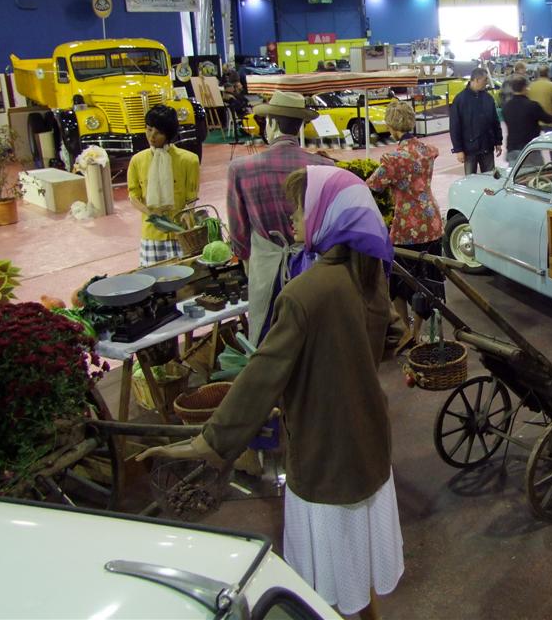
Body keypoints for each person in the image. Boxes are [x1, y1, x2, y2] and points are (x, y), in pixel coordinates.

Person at [138, 165, 402, 620]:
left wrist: (209, 442)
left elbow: (262, 376)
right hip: (369, 440)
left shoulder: (305, 293)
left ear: (327, 216)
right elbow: (389, 337)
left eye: (300, 209)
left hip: (322, 453)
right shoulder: (368, 275)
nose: (293, 219)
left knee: (329, 574)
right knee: (360, 561)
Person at [226, 91, 333, 344]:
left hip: (266, 269)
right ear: (299, 126)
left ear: (272, 124)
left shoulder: (240, 169)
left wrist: (244, 257)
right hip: (312, 269)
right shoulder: (324, 167)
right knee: (310, 338)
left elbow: (238, 230)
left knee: (268, 339)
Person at [366, 101, 444, 348]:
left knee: (399, 281)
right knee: (427, 280)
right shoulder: (428, 150)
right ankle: (418, 331)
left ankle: (406, 331)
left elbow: (372, 186)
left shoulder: (393, 159)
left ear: (391, 127)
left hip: (406, 227)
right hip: (432, 221)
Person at [127, 105, 201, 266]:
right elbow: (133, 195)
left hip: (181, 232)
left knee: (184, 276)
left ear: (169, 134)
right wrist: (151, 214)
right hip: (152, 234)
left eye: (159, 132)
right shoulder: (137, 161)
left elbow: (192, 195)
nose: (152, 136)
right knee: (153, 276)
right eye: (149, 129)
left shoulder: (189, 160)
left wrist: (188, 212)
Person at [449, 67, 502, 174]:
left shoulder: (488, 98)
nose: (487, 82)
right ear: (477, 80)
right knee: (470, 180)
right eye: (485, 80)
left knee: (489, 178)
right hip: (469, 150)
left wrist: (498, 141)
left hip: (487, 147)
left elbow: (495, 121)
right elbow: (455, 126)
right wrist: (458, 149)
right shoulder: (460, 100)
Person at [501, 75, 548, 165]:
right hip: (530, 149)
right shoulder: (532, 105)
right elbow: (548, 119)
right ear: (524, 88)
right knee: (535, 172)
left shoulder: (506, 107)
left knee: (515, 172)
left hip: (512, 148)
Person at [527, 64, 552, 130]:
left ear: (538, 74)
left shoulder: (531, 86)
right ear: (548, 73)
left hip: (533, 120)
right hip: (548, 120)